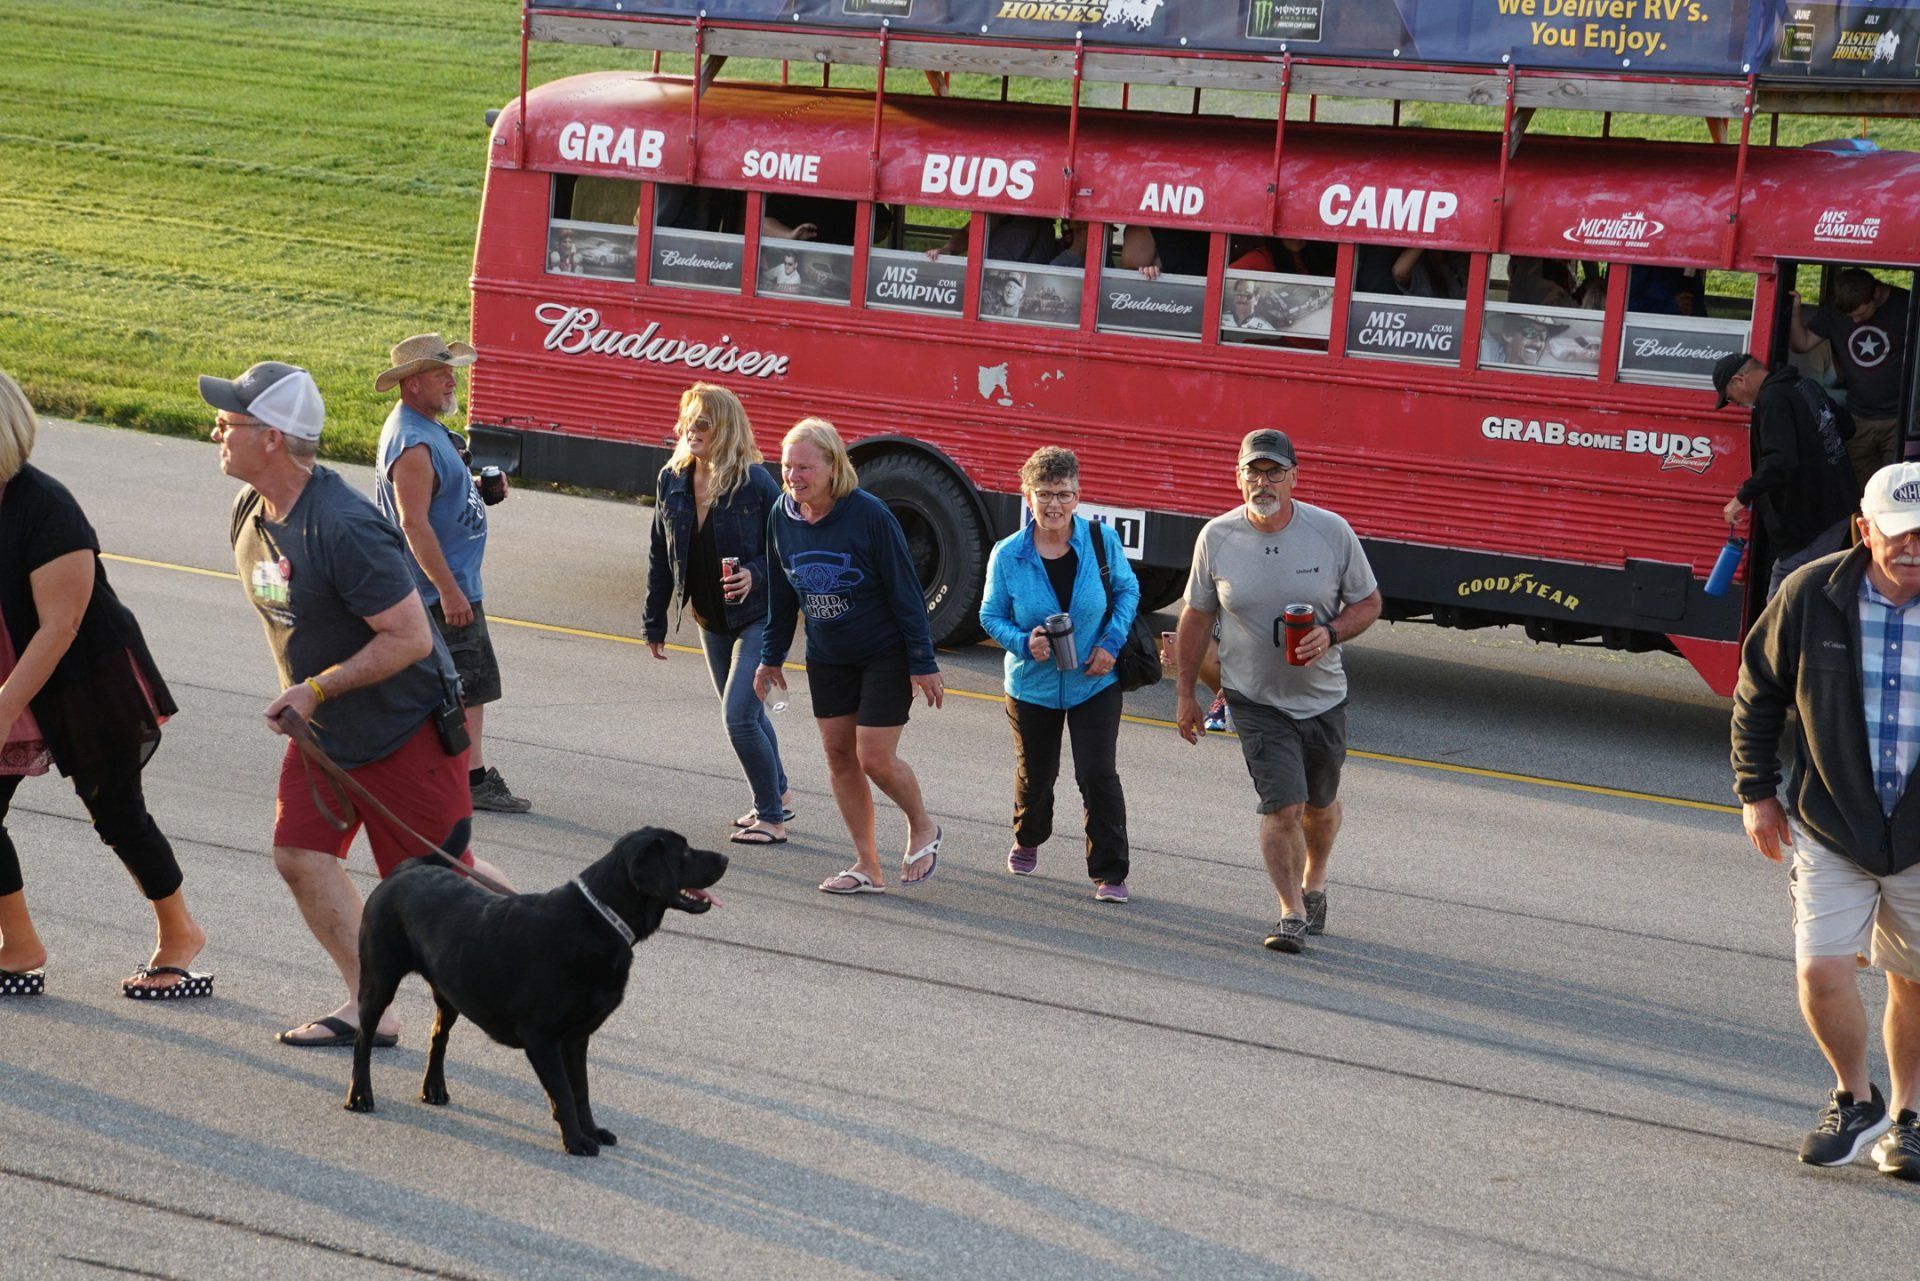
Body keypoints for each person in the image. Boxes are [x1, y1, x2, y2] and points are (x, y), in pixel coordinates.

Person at [202, 359, 513, 1046]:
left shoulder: (343, 525)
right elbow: (291, 619)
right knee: (300, 854)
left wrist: (313, 688)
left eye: (231, 420)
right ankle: (371, 1004)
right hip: (325, 731)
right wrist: (307, 693)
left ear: (275, 437)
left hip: (406, 729)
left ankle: (541, 940)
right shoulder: (250, 512)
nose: (216, 428)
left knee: (439, 882)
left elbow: (407, 637)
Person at [1730, 460, 1920, 1180]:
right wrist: (1756, 790)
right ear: (1864, 529)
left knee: (1914, 979)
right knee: (1820, 967)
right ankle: (1854, 1094)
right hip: (1832, 821)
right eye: (1899, 534)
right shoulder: (1811, 593)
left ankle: (1908, 1119)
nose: (1913, 548)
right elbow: (1758, 693)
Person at [0, 370, 209, 999]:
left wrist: (3, 708)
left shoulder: (46, 506)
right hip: (10, 673)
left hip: (83, 679)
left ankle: (180, 934)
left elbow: (60, 628)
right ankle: (19, 945)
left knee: (115, 811)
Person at [1173, 429, 1382, 954]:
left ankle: (1315, 880)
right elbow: (1196, 617)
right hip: (1255, 698)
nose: (1262, 483)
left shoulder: (1331, 532)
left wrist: (1330, 633)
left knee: (1320, 805)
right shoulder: (1216, 537)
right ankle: (1291, 912)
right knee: (1281, 807)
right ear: (1237, 476)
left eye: (1273, 473)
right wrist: (1184, 694)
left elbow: (1370, 603)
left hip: (1323, 696)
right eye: (1252, 472)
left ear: (1294, 476)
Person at [755, 419, 944, 895]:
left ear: (832, 466)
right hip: (828, 655)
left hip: (884, 652)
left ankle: (922, 824)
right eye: (787, 466)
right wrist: (771, 655)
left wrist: (922, 661)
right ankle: (867, 866)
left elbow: (906, 592)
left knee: (874, 757)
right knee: (839, 755)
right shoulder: (782, 514)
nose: (794, 476)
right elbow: (782, 591)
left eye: (805, 467)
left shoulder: (869, 514)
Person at [372, 334, 529, 815]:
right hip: (441, 588)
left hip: (452, 582)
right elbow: (413, 522)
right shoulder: (412, 442)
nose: (451, 379)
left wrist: (485, 491)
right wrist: (448, 591)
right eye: (440, 373)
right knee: (465, 686)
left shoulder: (430, 430)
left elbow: (446, 496)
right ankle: (468, 780)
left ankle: (454, 774)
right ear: (412, 383)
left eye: (451, 371)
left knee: (464, 686)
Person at [978, 448, 1138, 902]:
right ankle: (1028, 837)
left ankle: (1109, 873)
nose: (1054, 505)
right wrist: (1021, 642)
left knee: (1098, 775)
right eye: (1044, 494)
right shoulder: (1008, 554)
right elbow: (991, 616)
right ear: (1026, 495)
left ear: (1077, 495)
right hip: (1032, 685)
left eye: (1064, 495)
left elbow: (1127, 591)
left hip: (1095, 681)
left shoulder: (1100, 541)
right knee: (1037, 776)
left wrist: (1111, 644)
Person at [643, 383, 793, 845]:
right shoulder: (672, 477)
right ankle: (780, 793)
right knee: (748, 712)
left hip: (757, 616)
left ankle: (771, 817)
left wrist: (755, 574)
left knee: (738, 717)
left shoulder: (755, 482)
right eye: (687, 418)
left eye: (703, 422)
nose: (691, 429)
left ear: (725, 429)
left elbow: (789, 548)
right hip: (711, 618)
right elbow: (658, 549)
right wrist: (655, 619)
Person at [1713, 351, 1857, 597]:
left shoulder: (1772, 399)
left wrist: (1742, 497)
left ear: (1739, 381)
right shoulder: (1804, 384)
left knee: (1783, 594)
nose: (1736, 404)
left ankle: (1781, 636)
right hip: (1837, 503)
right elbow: (1847, 426)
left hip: (1815, 515)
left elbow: (1780, 460)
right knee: (1810, 587)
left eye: (1731, 398)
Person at [1790, 269, 1912, 490]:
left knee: (1896, 489)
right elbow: (1802, 344)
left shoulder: (1908, 306)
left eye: (1862, 314)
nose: (1856, 321)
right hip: (1858, 418)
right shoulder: (1835, 310)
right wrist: (1794, 311)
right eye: (1851, 317)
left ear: (1876, 293)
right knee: (1856, 488)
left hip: (1900, 419)